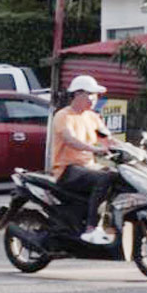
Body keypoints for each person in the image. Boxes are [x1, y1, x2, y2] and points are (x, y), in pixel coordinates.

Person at [52, 74, 116, 245]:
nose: (94, 99)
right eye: (91, 94)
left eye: (95, 95)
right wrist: (94, 149)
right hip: (67, 170)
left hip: (88, 167)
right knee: (104, 178)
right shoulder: (63, 116)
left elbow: (106, 138)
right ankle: (91, 228)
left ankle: (106, 225)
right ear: (78, 94)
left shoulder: (92, 117)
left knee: (116, 176)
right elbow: (69, 140)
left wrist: (130, 150)